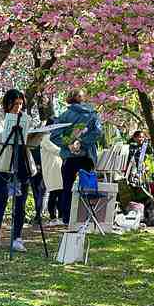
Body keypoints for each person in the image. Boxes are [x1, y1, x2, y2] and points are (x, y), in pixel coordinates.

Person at [0, 89, 38, 253]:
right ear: (7, 103)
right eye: (15, 104)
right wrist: (11, 125)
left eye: (21, 104)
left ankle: (17, 239)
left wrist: (33, 135)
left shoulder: (26, 118)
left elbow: (32, 137)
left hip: (22, 164)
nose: (18, 107)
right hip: (4, 165)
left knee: (20, 203)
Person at [50, 89, 102, 225]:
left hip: (69, 156)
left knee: (66, 187)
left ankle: (66, 218)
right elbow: (97, 133)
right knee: (88, 186)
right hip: (87, 155)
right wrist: (82, 142)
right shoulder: (92, 115)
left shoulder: (64, 116)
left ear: (69, 99)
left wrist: (69, 144)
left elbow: (54, 136)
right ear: (83, 98)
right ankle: (89, 217)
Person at [40, 118, 64, 226]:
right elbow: (57, 150)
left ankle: (60, 216)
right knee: (54, 193)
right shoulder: (45, 138)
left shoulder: (55, 137)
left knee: (59, 193)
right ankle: (53, 217)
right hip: (51, 168)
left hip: (58, 167)